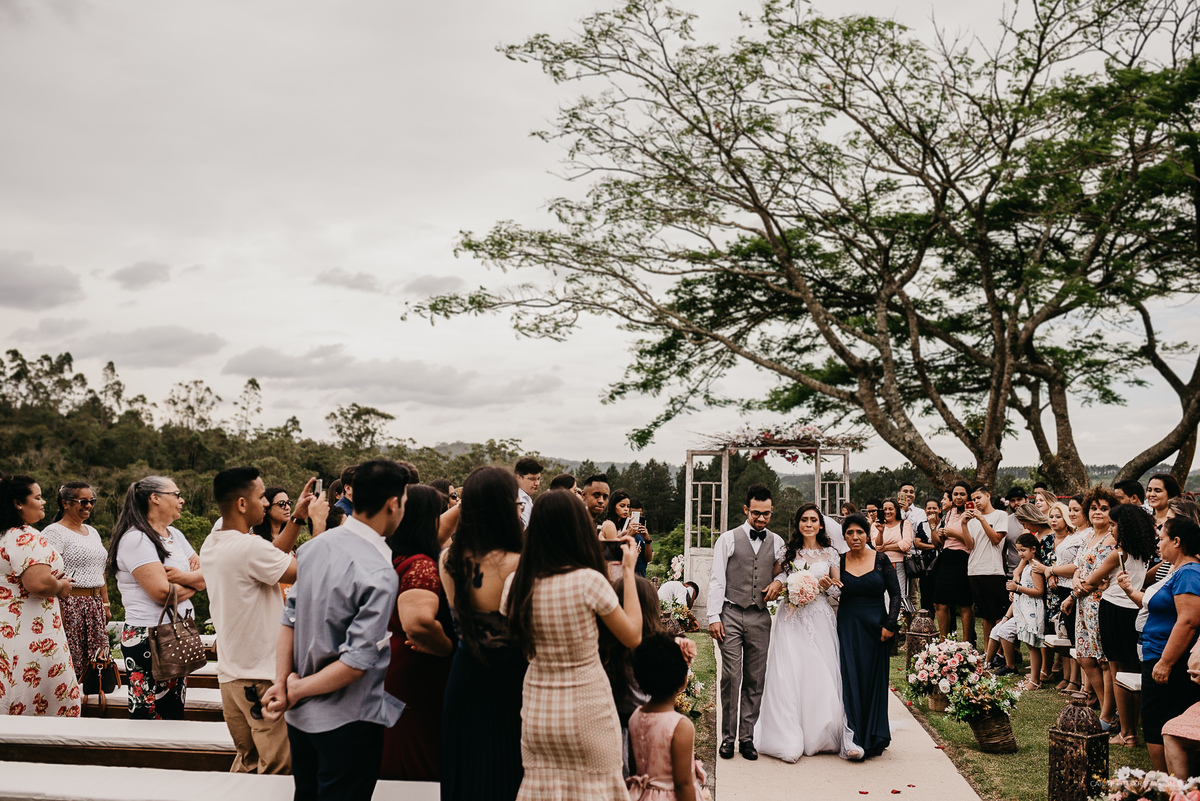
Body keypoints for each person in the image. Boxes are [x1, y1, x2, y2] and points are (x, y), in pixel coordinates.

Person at [261, 460, 412, 801]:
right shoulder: (378, 570)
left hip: (300, 720)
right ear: (393, 503)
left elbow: (289, 619)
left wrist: (283, 685)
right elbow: (356, 664)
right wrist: (294, 691)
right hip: (348, 721)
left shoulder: (316, 547)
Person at [504, 490, 643, 800]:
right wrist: (630, 571)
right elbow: (633, 634)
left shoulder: (517, 583)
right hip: (587, 706)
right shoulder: (588, 581)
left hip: (539, 710)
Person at [201, 467, 297, 774]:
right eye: (261, 497)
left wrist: (296, 519)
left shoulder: (213, 542)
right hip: (261, 676)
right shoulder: (249, 547)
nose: (267, 504)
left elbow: (268, 557)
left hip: (231, 676)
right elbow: (307, 571)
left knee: (247, 762)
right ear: (242, 504)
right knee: (277, 768)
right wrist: (318, 524)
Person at [440, 466, 528, 801]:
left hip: (464, 674)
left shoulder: (447, 558)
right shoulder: (519, 561)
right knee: (507, 774)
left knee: (466, 773)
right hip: (512, 678)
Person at [754, 503, 858, 761]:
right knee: (790, 672)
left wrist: (826, 586)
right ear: (798, 524)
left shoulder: (831, 554)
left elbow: (838, 590)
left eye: (813, 520)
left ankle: (819, 734)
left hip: (820, 617)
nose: (808, 524)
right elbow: (774, 577)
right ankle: (787, 734)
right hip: (791, 618)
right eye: (804, 520)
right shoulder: (788, 551)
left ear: (821, 524)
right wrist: (783, 582)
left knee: (819, 671)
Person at [107, 475, 204, 720]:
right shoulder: (137, 539)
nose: (182, 500)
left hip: (174, 633)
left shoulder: (175, 535)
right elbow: (161, 593)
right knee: (148, 714)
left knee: (173, 710)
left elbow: (206, 574)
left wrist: (181, 577)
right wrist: (194, 583)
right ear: (155, 498)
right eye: (177, 494)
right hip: (147, 637)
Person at [380, 485, 455, 782]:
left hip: (393, 661)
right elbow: (418, 623)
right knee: (416, 759)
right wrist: (447, 646)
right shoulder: (422, 565)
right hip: (417, 670)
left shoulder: (393, 556)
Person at [707, 484, 784, 761]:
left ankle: (747, 738)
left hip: (761, 616)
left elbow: (787, 571)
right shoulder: (727, 539)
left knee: (755, 678)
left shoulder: (778, 542)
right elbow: (717, 579)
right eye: (756, 513)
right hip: (730, 613)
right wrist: (714, 616)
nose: (761, 519)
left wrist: (778, 581)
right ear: (745, 510)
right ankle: (727, 739)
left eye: (766, 514)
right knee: (731, 676)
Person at [0, 475, 81, 717]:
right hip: (31, 632)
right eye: (37, 497)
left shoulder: (4, 535)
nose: (44, 502)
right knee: (34, 695)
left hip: (7, 627)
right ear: (18, 503)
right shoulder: (25, 536)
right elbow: (38, 583)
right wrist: (61, 586)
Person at [1082, 503, 1156, 748]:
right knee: (1132, 668)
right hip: (1134, 608)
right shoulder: (1143, 551)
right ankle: (1133, 726)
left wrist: (1094, 583)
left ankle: (1127, 732)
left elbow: (1091, 580)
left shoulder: (1118, 553)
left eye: (1113, 525)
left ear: (1124, 528)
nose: (1110, 529)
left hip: (1114, 609)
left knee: (1117, 672)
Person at [1139, 516, 1200, 772]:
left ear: (1177, 541)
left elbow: (1188, 621)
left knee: (1158, 721)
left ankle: (1166, 786)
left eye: (1161, 538)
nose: (1158, 544)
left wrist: (1165, 662)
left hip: (1169, 659)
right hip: (1158, 653)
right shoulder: (1178, 570)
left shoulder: (1189, 572)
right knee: (1155, 720)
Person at [838, 513, 900, 760]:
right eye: (850, 533)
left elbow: (895, 594)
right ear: (844, 536)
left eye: (859, 532)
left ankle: (875, 735)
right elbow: (832, 589)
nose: (855, 537)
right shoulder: (840, 561)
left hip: (876, 627)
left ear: (868, 534)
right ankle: (854, 737)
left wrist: (890, 624)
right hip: (848, 626)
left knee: (873, 680)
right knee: (850, 678)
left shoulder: (882, 559)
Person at [1061, 486, 1120, 727]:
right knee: (1085, 657)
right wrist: (1075, 587)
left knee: (1103, 659)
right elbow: (1077, 568)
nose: (1097, 512)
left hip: (1100, 602)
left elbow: (1101, 574)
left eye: (1104, 509)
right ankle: (1106, 704)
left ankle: (1108, 715)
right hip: (1082, 602)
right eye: (1094, 508)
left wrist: (1082, 587)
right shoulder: (1088, 536)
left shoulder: (1112, 538)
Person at [627, 633, 711, 801]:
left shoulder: (635, 717)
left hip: (639, 795)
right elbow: (683, 784)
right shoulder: (680, 726)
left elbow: (635, 765)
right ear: (683, 680)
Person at [42, 482, 110, 680]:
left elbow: (101, 570)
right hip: (69, 603)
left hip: (94, 604)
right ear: (65, 503)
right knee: (71, 659)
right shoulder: (54, 532)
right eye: (83, 501)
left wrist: (105, 603)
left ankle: (95, 705)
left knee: (98, 662)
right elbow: (49, 571)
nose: (88, 506)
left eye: (91, 501)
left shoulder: (93, 532)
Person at [965, 485, 1010, 646]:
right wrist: (964, 524)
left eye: (978, 498)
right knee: (985, 615)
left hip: (993, 570)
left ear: (988, 496)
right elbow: (970, 545)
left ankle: (1000, 652)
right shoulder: (971, 521)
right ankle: (987, 653)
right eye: (973, 499)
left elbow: (996, 539)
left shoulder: (1000, 515)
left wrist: (982, 519)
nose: (976, 502)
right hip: (974, 570)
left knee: (998, 613)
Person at [932, 481, 974, 643]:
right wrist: (942, 532)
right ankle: (944, 641)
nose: (958, 497)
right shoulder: (951, 513)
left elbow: (972, 541)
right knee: (940, 602)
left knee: (964, 603)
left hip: (963, 557)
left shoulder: (972, 513)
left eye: (962, 494)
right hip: (947, 556)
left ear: (968, 496)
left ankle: (966, 643)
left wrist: (952, 533)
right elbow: (942, 542)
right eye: (955, 494)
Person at [1006, 531, 1046, 690]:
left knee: (1033, 645)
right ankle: (1034, 678)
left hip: (1033, 609)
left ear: (1033, 549)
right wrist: (1015, 591)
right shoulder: (1028, 565)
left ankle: (1035, 681)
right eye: (1018, 550)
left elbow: (1039, 591)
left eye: (1023, 550)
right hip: (1025, 607)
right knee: (1029, 645)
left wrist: (1018, 588)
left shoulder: (1035, 567)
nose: (1020, 553)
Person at [872, 499, 914, 616]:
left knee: (901, 596)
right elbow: (877, 546)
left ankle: (902, 627)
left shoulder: (904, 524)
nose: (888, 512)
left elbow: (905, 545)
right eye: (885, 509)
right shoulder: (876, 526)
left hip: (899, 564)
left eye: (891, 509)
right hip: (881, 565)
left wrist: (886, 548)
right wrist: (881, 531)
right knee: (884, 595)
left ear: (896, 510)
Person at [515, 457, 543, 530]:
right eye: (532, 479)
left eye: (538, 479)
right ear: (519, 477)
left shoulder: (527, 498)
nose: (537, 483)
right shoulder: (518, 500)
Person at [629, 498, 652, 578]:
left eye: (640, 515)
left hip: (641, 577)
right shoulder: (622, 532)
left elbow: (648, 559)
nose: (638, 518)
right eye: (634, 515)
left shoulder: (642, 533)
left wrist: (647, 540)